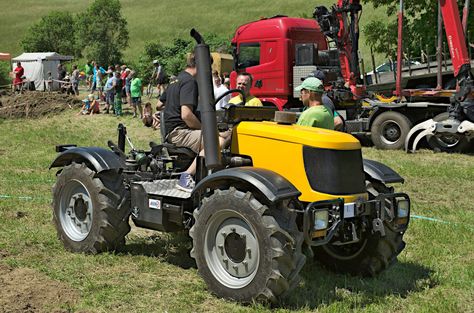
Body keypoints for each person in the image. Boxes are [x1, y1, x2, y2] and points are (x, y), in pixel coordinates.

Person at [163, 53, 230, 192]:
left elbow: (159, 104)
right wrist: (208, 129)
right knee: (217, 142)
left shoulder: (175, 79)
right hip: (180, 131)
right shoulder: (190, 81)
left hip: (173, 130)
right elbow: (186, 115)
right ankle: (186, 177)